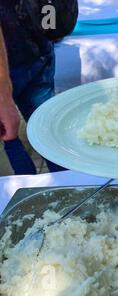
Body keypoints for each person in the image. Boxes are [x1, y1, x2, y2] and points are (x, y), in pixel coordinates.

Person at [0, 1, 65, 174]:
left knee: (47, 136)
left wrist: (3, 94)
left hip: (31, 52)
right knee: (48, 134)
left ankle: (71, 190)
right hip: (35, 47)